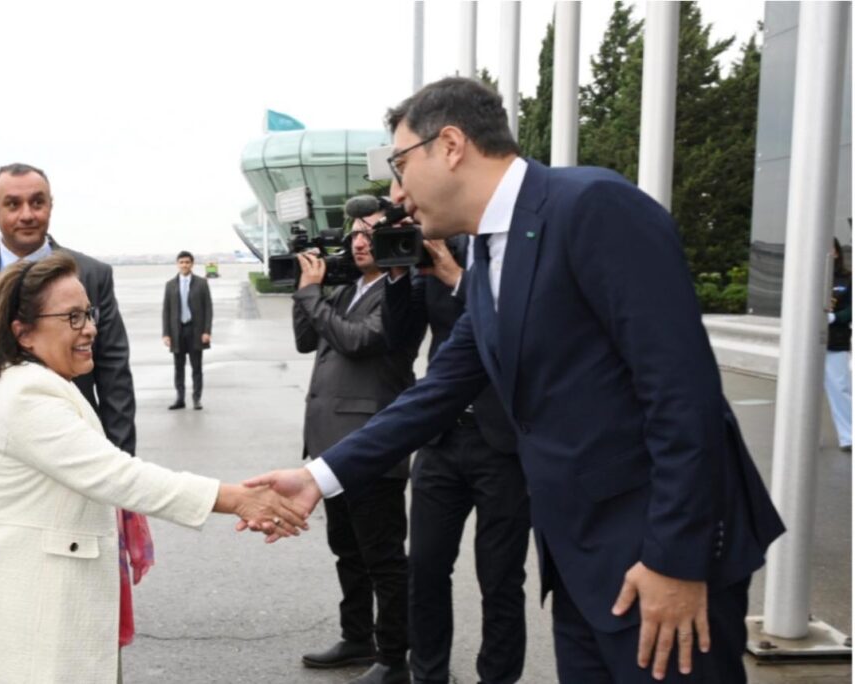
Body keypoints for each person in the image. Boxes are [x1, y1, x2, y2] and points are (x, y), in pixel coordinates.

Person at [247, 77, 785, 683]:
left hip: (656, 554)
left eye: (399, 166)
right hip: (579, 559)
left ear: (449, 145)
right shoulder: (487, 251)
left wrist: (675, 560)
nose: (396, 194)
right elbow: (442, 386)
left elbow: (683, 396)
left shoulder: (593, 207)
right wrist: (320, 476)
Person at [0, 253, 307, 683]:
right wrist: (239, 499)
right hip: (16, 612)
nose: (89, 327)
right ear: (24, 332)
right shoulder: (26, 397)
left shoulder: (38, 383)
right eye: (72, 317)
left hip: (27, 604)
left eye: (89, 313)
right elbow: (119, 476)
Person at [0, 163, 136, 507]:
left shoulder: (92, 274)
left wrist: (120, 457)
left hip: (71, 442)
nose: (27, 214)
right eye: (13, 204)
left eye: (37, 202)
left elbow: (113, 371)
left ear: (51, 204)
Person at [381, 228, 530, 683]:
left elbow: (513, 323)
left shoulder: (500, 248)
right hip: (442, 440)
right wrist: (396, 273)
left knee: (500, 578)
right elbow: (400, 336)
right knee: (423, 569)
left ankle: (497, 678)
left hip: (502, 444)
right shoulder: (424, 255)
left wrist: (455, 275)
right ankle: (428, 675)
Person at [293, 215, 421, 684]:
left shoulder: (399, 291)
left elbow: (358, 339)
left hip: (372, 443)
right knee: (346, 548)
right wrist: (302, 285)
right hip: (330, 445)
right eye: (356, 234)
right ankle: (357, 636)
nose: (361, 242)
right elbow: (307, 339)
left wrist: (311, 296)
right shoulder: (347, 289)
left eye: (371, 233)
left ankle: (393, 657)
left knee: (383, 556)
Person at [162, 250, 213, 410]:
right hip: (177, 332)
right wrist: (166, 333)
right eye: (181, 262)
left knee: (196, 367)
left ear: (192, 264)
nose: (184, 265)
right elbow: (166, 310)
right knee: (179, 367)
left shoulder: (201, 283)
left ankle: (197, 398)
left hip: (195, 330)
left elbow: (208, 308)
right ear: (177, 264)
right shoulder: (170, 285)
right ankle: (180, 398)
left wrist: (207, 331)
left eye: (187, 262)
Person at [825, 237, 852, 451]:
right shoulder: (806, 278)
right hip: (806, 346)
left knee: (841, 389)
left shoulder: (847, 279)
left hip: (835, 341)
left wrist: (836, 318)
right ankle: (804, 435)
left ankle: (849, 437)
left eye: (830, 248)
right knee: (803, 392)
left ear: (836, 252)